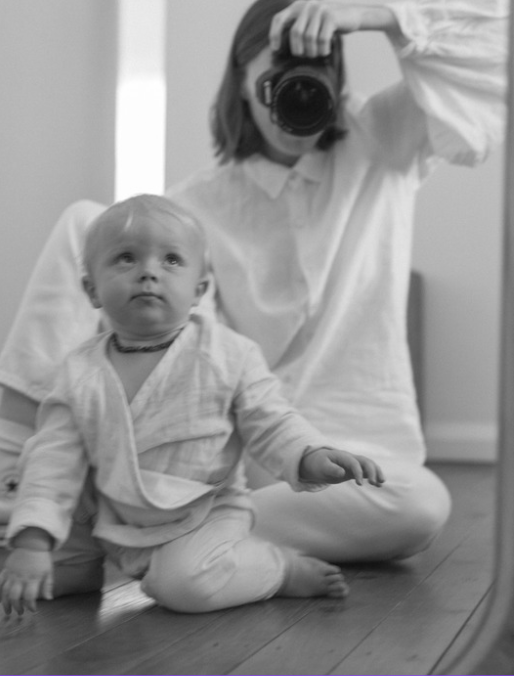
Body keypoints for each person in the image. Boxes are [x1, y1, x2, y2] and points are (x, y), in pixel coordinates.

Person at [0, 0, 508, 564]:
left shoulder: (383, 143)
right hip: (232, 452)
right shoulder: (193, 209)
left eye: (313, 74)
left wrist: (367, 17)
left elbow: (498, 40)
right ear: (242, 83)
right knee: (91, 221)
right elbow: (183, 357)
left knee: (419, 506)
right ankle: (19, 484)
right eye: (276, 76)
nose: (295, 96)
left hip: (350, 451)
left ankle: (138, 532)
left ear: (338, 83)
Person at [0, 194, 385, 617]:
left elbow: (271, 421)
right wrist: (31, 543)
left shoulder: (228, 354)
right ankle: (76, 564)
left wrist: (310, 455)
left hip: (202, 513)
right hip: (112, 515)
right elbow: (55, 465)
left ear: (199, 289)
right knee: (45, 452)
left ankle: (277, 568)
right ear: (91, 289)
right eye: (126, 259)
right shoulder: (77, 372)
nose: (148, 272)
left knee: (183, 587)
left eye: (171, 261)